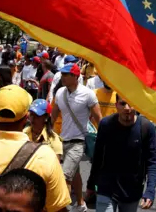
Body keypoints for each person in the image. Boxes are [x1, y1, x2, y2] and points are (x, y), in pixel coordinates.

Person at [86, 94, 156, 212]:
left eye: (131, 104)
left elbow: (152, 161)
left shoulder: (146, 128)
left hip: (131, 192)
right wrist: (91, 184)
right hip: (106, 188)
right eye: (123, 103)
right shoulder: (106, 124)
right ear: (116, 105)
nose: (127, 108)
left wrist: (150, 190)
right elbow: (98, 157)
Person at [51, 63, 102, 212]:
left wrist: (105, 138)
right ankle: (80, 204)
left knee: (65, 176)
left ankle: (60, 209)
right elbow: (53, 114)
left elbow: (99, 118)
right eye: (62, 74)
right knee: (75, 174)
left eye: (66, 75)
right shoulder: (60, 92)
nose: (63, 77)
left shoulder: (88, 94)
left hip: (79, 142)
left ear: (75, 77)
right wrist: (47, 132)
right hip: (62, 141)